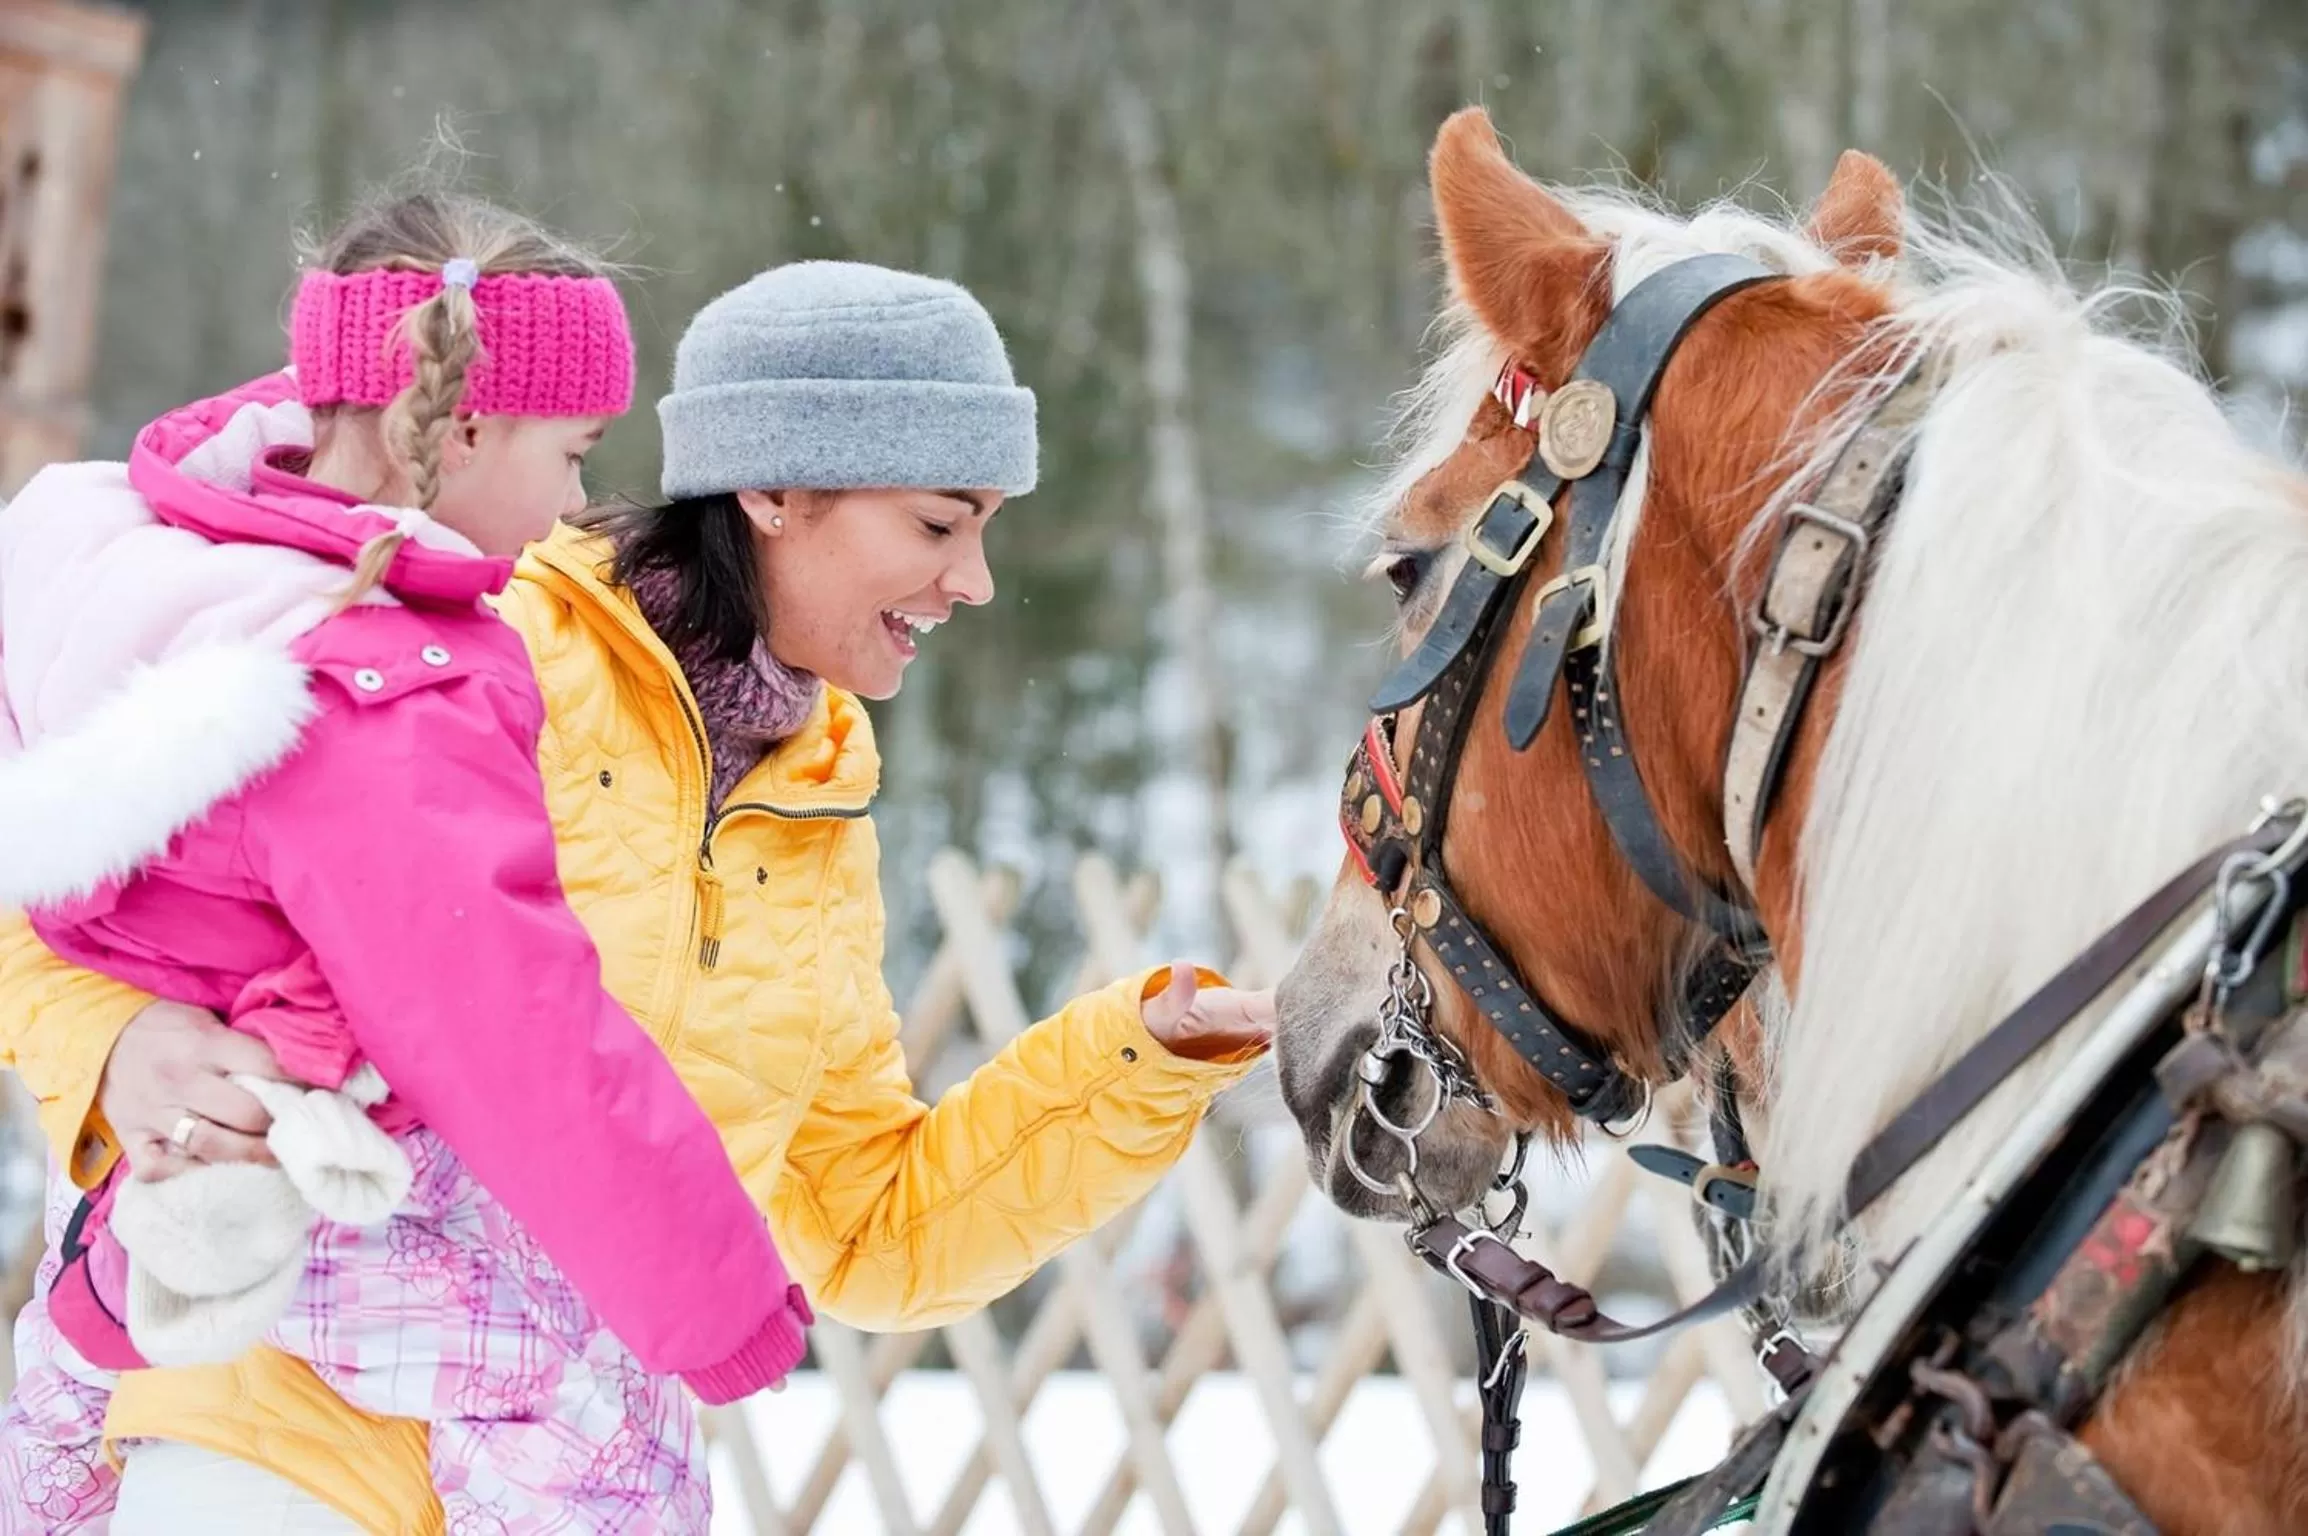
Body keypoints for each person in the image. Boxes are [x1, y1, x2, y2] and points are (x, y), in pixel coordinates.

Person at [0, 253, 1271, 1532]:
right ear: (773, 487)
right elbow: (71, 864)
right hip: (280, 1403)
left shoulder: (811, 807)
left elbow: (863, 1227)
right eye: (941, 524)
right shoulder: (480, 654)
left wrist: (1141, 1060)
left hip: (555, 1458)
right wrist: (113, 1044)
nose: (974, 581)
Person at [0, 183, 816, 1533]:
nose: (571, 507)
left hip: (148, 1194)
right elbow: (515, 1028)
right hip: (340, 1204)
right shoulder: (386, 695)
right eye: (572, 456)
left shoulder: (163, 568)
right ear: (466, 426)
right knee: (609, 1431)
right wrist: (715, 1300)